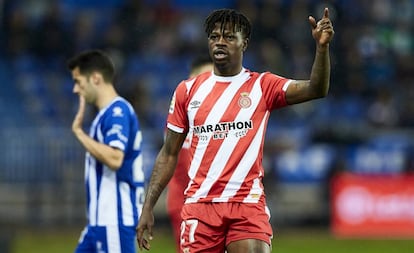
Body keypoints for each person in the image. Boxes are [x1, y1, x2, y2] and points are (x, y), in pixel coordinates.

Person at [137, 7, 334, 253]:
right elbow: (168, 154)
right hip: (200, 205)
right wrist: (148, 207)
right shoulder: (187, 91)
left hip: (246, 204)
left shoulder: (263, 85)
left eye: (229, 37)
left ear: (244, 43)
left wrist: (322, 48)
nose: (220, 42)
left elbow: (316, 89)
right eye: (215, 36)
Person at [68, 49, 145, 253]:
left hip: (114, 220)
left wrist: (80, 134)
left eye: (78, 81)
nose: (76, 89)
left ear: (95, 78)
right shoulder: (105, 115)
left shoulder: (117, 112)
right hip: (99, 221)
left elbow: (115, 158)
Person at [165, 55, 213, 253]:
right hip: (187, 202)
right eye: (203, 77)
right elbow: (188, 165)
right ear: (191, 80)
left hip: (213, 201)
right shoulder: (182, 117)